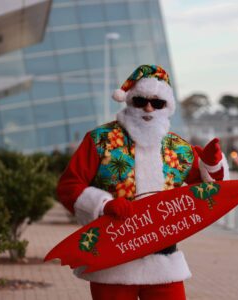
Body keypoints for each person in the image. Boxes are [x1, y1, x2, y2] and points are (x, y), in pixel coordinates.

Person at [57, 65, 229, 300]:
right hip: (113, 261)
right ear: (129, 101)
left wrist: (212, 165)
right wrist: (103, 205)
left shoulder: (178, 148)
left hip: (164, 264)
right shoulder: (100, 140)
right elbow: (69, 186)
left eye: (157, 103)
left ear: (166, 108)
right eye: (140, 101)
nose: (149, 108)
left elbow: (209, 191)